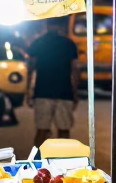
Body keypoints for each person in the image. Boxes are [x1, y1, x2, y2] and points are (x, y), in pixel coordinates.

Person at [26, 16, 80, 148]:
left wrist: (28, 90)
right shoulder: (68, 44)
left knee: (42, 130)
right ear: (61, 26)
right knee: (64, 130)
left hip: (42, 92)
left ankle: (38, 162)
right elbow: (75, 69)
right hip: (64, 92)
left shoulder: (38, 43)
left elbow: (31, 68)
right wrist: (75, 92)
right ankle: (63, 161)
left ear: (46, 25)